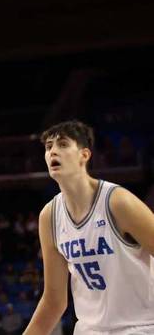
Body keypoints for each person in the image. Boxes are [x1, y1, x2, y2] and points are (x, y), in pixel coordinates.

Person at [24, 120, 154, 334]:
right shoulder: (49, 216)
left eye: (63, 144)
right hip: (89, 329)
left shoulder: (118, 203)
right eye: (48, 147)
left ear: (84, 155)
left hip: (140, 326)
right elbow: (54, 302)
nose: (53, 151)